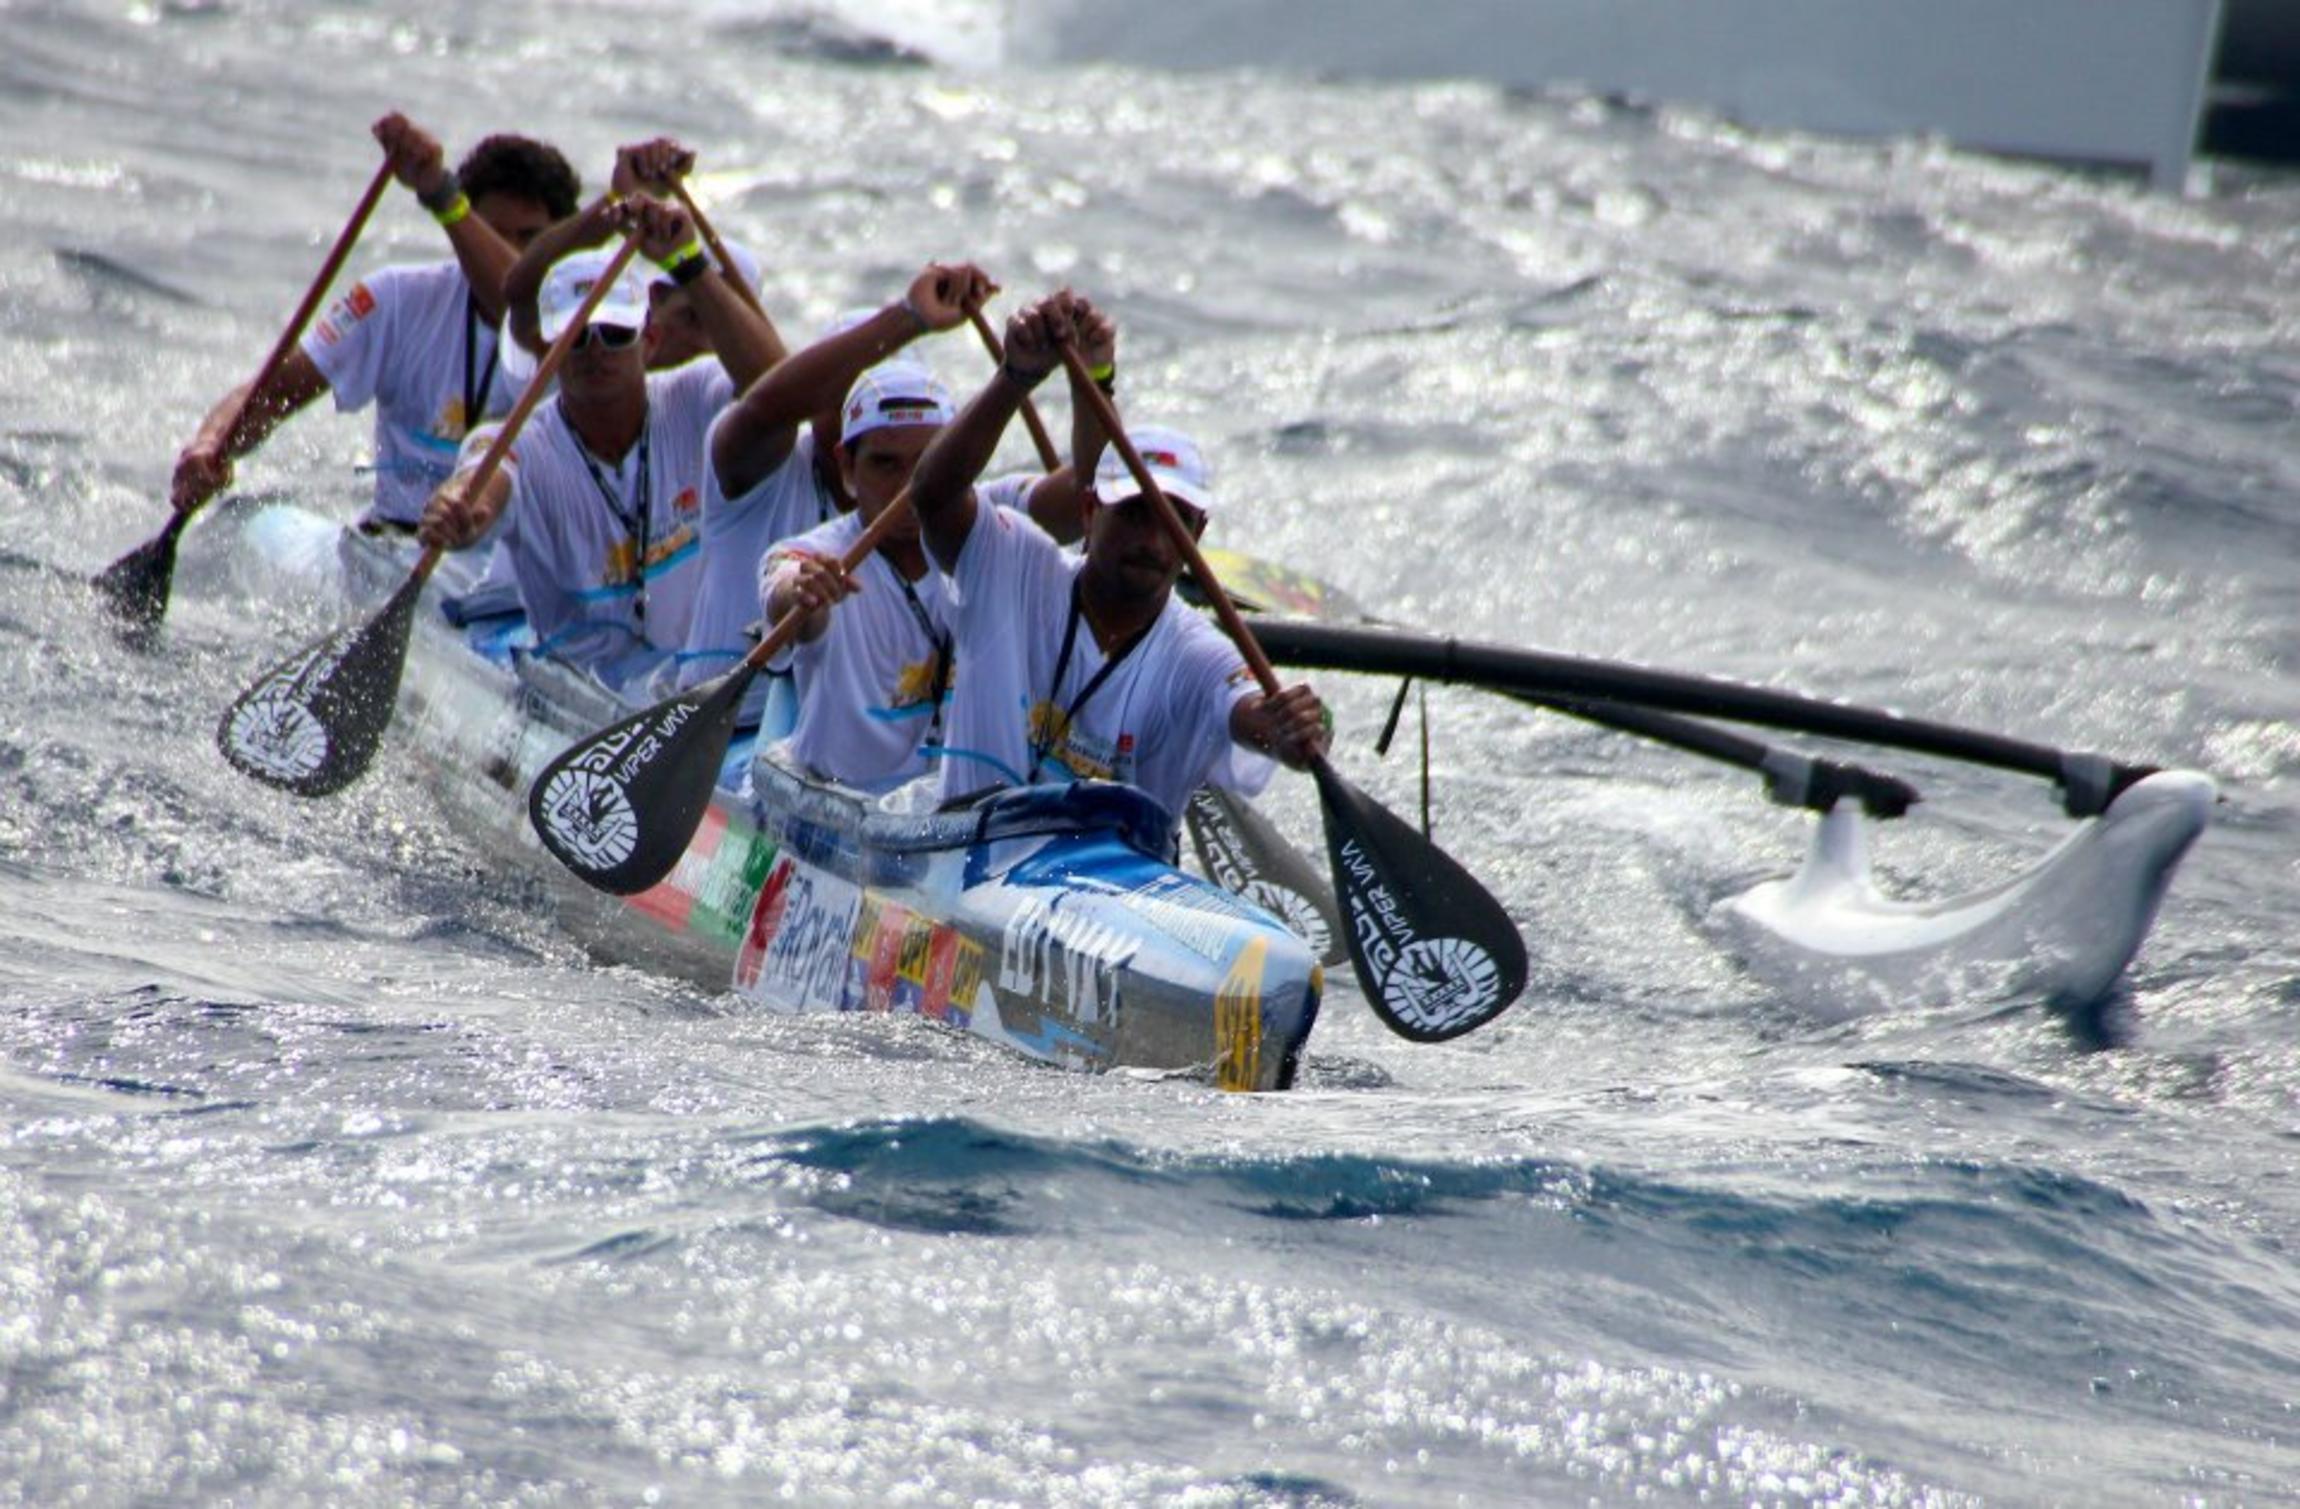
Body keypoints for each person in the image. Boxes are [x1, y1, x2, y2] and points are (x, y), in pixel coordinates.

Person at [904, 292, 1329, 823]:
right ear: (1087, 510)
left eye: (1174, 521)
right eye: (1132, 514)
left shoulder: (1198, 656)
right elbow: (933, 494)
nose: (1152, 540)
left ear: (1199, 533)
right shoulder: (1012, 566)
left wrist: (1295, 730)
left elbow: (1254, 716)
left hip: (1108, 889)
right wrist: (1016, 377)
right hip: (966, 859)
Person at [414, 197, 780, 691]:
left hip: (682, 680)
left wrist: (689, 262)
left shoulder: (694, 395)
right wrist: (459, 509)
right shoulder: (515, 442)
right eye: (576, 336)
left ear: (648, 339)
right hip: (572, 688)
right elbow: (480, 484)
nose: (595, 351)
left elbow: (778, 391)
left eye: (614, 333)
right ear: (549, 348)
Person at [755, 304, 1117, 788]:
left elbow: (1088, 495)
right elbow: (785, 590)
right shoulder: (812, 555)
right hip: (845, 821)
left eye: (925, 464)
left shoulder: (993, 524)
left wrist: (1092, 378)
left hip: (954, 821)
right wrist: (802, 594)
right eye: (886, 464)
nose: (908, 488)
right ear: (846, 467)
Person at [169, 113, 579, 532]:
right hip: (394, 544)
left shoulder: (591, 332)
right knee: (239, 524)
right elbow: (273, 394)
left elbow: (516, 300)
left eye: (530, 238)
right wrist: (210, 447)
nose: (508, 250)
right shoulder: (398, 298)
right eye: (491, 232)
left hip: (514, 563)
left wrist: (440, 192)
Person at [675, 262, 1006, 690]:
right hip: (732, 721)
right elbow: (766, 407)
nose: (871, 417)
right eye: (850, 392)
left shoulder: (948, 505)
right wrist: (910, 318)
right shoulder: (760, 464)